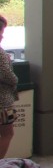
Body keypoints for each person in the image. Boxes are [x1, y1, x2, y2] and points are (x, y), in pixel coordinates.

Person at [0, 15, 18, 159]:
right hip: (4, 102)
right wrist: (15, 80)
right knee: (8, 132)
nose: (2, 36)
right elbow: (6, 74)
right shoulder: (0, 53)